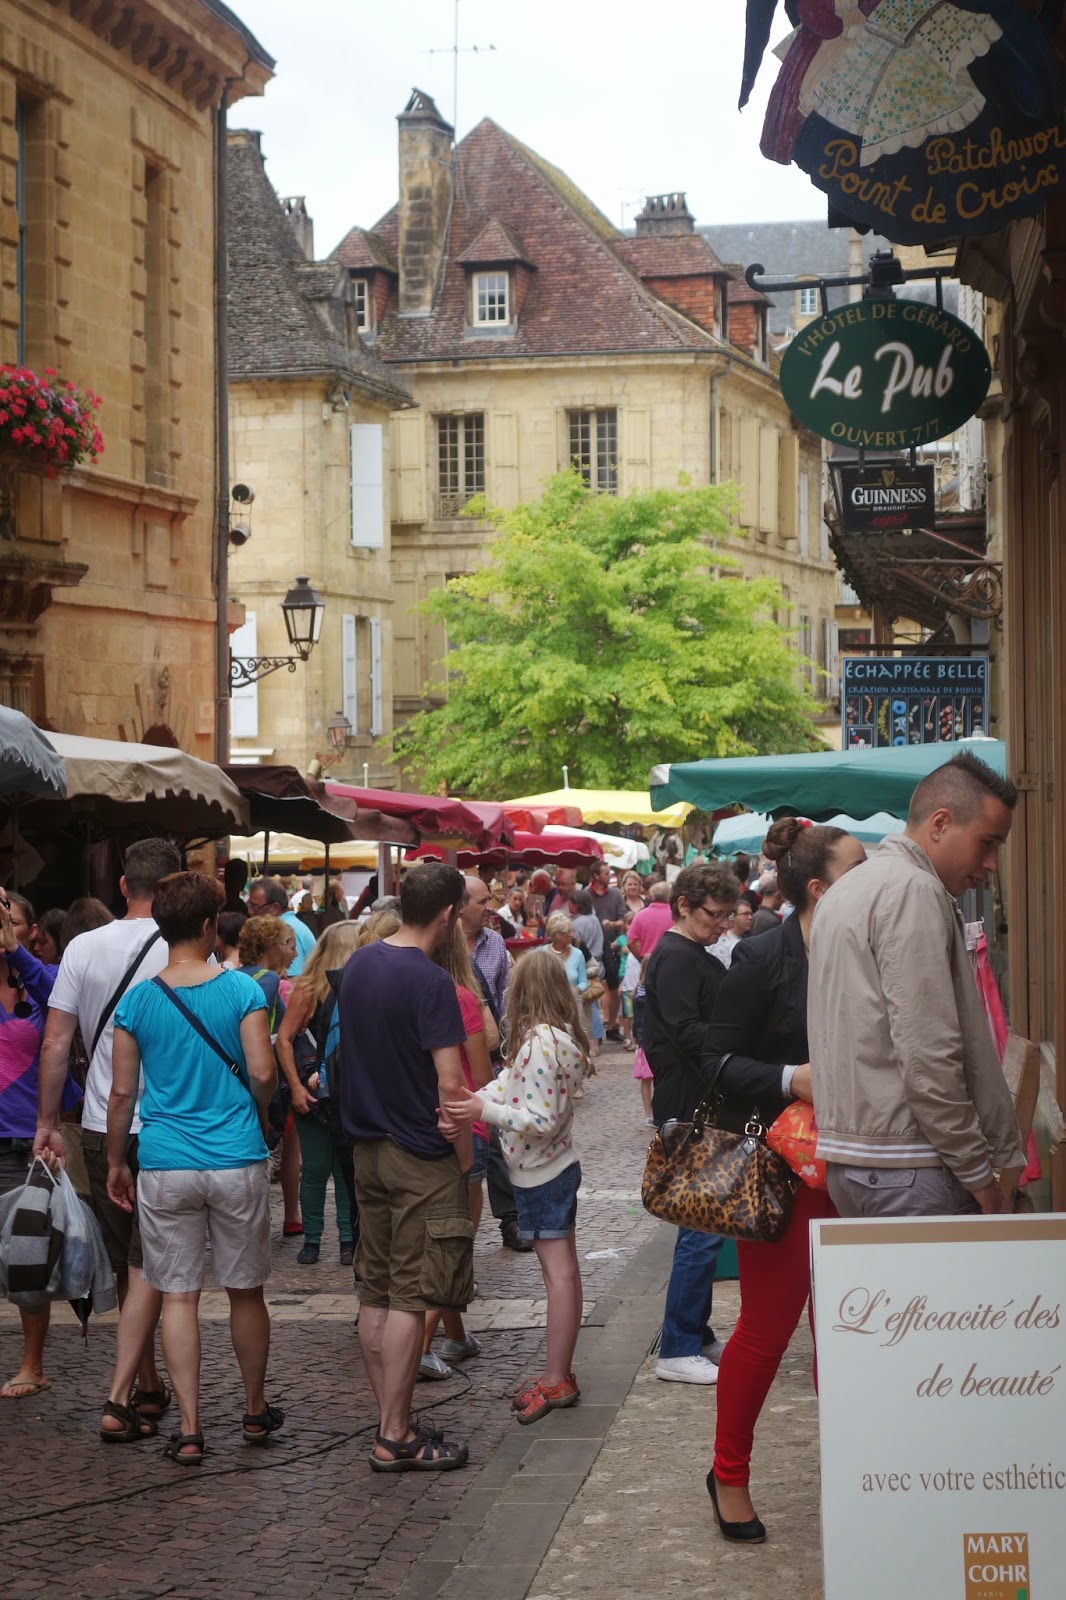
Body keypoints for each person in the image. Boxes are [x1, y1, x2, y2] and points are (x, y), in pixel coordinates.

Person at [704, 819, 867, 1543]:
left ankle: (860, 1477)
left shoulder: (870, 947)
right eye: (858, 870)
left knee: (849, 1331)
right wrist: (789, 1078)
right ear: (819, 889)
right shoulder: (762, 956)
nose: (873, 881)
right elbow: (714, 1061)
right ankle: (728, 1474)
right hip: (782, 1170)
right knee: (767, 1330)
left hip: (863, 1164)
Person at [106, 872, 280, 1465]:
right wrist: (260, 1107)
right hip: (235, 1157)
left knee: (178, 1297)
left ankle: (188, 1427)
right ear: (209, 926)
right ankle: (254, 1409)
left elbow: (122, 1095)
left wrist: (115, 1161)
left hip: (165, 1161)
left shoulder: (138, 1001)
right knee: (245, 1292)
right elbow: (262, 1073)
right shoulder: (241, 991)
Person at [809, 750, 1025, 1222]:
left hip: (857, 1164)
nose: (991, 863)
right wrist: (977, 1173)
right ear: (941, 823)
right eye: (987, 843)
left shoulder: (846, 890)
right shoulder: (914, 890)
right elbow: (928, 1055)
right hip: (912, 1166)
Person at [36, 838, 180, 1441]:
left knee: (126, 1260)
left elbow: (56, 1042)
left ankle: (145, 1383)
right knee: (166, 1263)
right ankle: (155, 1386)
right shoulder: (184, 945)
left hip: (104, 1124)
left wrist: (46, 1123)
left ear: (123, 885)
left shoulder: (83, 947)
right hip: (174, 1124)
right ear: (175, 885)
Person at [337, 860, 473, 1471]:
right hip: (418, 1151)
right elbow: (450, 1082)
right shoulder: (431, 981)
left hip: (365, 1147)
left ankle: (391, 1421)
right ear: (447, 914)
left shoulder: (360, 963)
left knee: (376, 1289)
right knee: (412, 1297)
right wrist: (463, 1148)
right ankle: (394, 1435)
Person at [444, 948, 588, 1424]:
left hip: (542, 1172)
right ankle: (559, 1372)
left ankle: (556, 1378)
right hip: (554, 1167)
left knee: (558, 1276)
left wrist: (481, 1110)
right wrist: (476, 1098)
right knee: (565, 1274)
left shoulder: (538, 1044)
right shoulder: (554, 1038)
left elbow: (539, 1118)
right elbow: (511, 1083)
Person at [643, 862, 738, 1385]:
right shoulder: (678, 957)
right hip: (689, 1106)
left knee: (703, 1226)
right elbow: (687, 1031)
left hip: (691, 1104)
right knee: (700, 1230)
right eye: (714, 914)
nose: (722, 924)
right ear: (684, 906)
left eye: (727, 915)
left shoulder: (686, 953)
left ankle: (694, 1334)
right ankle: (678, 1346)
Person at [0, 890, 74, 1399]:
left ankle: (33, 1365)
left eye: (11, 921)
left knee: (28, 1258)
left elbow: (62, 1001)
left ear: (29, 931)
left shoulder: (43, 981)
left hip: (28, 1143)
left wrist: (14, 953)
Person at [420, 918, 493, 1379]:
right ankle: (422, 1345)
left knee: (439, 1237)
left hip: (416, 1124)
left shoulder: (408, 994)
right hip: (463, 1127)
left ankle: (456, 1335)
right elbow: (480, 1076)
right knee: (454, 1243)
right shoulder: (460, 997)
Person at [275, 921, 363, 1269]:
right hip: (313, 1092)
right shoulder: (309, 989)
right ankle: (313, 1238)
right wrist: (296, 1087)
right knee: (315, 1167)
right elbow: (284, 1040)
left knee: (342, 1169)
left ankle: (346, 1239)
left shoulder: (357, 986)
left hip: (342, 1093)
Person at [459, 874, 529, 1254]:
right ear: (460, 906)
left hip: (489, 1055)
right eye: (483, 901)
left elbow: (505, 1002)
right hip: (451, 1054)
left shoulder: (495, 942)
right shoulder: (441, 943)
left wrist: (509, 1047)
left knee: (499, 1138)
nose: (490, 908)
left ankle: (509, 1220)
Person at [238, 912, 301, 1235]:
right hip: (264, 1071)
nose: (293, 952)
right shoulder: (269, 980)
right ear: (272, 946)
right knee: (272, 1147)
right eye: (288, 944)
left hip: (237, 1074)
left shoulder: (234, 975)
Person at [586, 861, 627, 1037]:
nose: (609, 876)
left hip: (613, 945)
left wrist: (612, 924)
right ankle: (599, 1025)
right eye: (606, 873)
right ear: (596, 876)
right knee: (596, 986)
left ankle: (611, 1026)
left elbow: (623, 921)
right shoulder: (586, 895)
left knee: (613, 986)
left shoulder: (615, 894)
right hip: (592, 947)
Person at [246, 876, 314, 978]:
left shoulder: (286, 930)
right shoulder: (287, 925)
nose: (250, 911)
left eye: (255, 907)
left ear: (275, 908)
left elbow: (292, 980)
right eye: (249, 905)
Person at [709, 899, 754, 968]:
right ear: (733, 916)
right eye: (745, 914)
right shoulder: (715, 940)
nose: (750, 917)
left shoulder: (744, 941)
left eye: (751, 914)